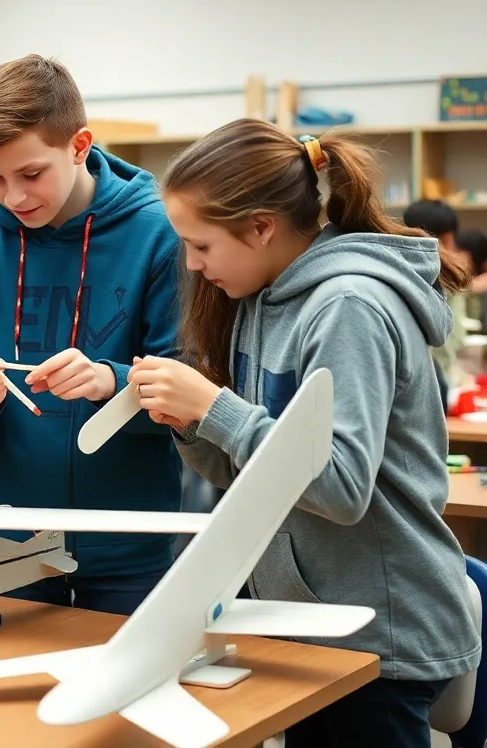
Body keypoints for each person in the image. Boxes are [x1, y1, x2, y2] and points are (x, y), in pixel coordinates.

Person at [128, 119, 480, 747]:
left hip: (376, 635)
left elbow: (341, 487)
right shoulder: (264, 299)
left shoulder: (349, 307)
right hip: (313, 624)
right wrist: (193, 425)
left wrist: (217, 408)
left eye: (201, 245)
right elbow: (260, 480)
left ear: (261, 227)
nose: (191, 263)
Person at [0, 55, 183, 615]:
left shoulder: (159, 233)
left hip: (128, 548)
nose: (13, 196)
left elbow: (189, 385)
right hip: (7, 546)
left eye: (32, 174)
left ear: (80, 144)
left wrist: (108, 381)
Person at [403, 200, 469, 394]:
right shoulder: (444, 277)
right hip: (434, 387)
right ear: (447, 238)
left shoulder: (396, 273)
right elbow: (450, 342)